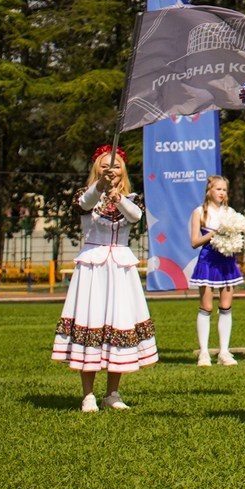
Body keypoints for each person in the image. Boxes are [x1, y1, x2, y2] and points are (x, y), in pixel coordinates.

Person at [52, 145, 157, 408]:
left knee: (118, 324)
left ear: (124, 171)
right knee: (91, 322)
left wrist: (117, 196)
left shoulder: (131, 198)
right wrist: (100, 186)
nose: (111, 169)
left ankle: (112, 393)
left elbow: (135, 216)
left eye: (116, 165)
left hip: (120, 269)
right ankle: (88, 394)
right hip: (93, 269)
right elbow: (84, 204)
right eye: (105, 165)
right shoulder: (86, 195)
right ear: (96, 169)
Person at [186, 174, 245, 365]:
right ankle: (204, 352)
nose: (222, 193)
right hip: (208, 261)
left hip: (227, 261)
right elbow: (195, 241)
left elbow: (237, 239)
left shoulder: (231, 213)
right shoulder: (199, 212)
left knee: (226, 306)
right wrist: (214, 233)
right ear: (209, 191)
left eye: (224, 190)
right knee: (207, 306)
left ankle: (224, 352)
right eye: (218, 189)